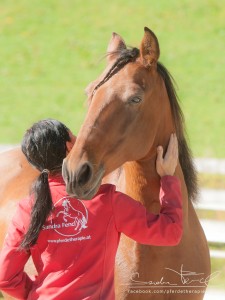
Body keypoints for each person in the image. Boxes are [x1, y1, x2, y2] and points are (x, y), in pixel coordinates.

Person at [0, 119, 182, 300]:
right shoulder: (107, 201)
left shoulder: (27, 209)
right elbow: (170, 232)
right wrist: (168, 179)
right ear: (71, 145)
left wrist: (39, 293)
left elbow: (5, 278)